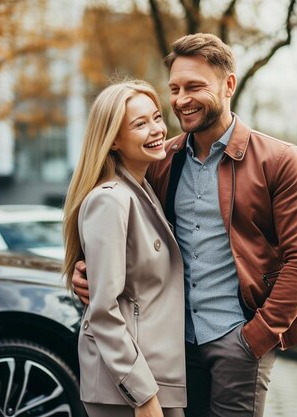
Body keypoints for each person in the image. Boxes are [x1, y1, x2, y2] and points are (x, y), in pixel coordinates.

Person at [72, 33, 297, 417]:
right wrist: (86, 273)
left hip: (237, 343)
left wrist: (256, 337)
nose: (181, 99)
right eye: (174, 88)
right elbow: (122, 235)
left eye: (194, 86)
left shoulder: (280, 160)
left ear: (229, 85)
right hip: (171, 347)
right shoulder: (161, 160)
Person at [62, 80, 186, 417]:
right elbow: (104, 310)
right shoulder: (110, 201)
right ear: (114, 140)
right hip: (127, 387)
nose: (156, 130)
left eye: (157, 118)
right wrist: (142, 395)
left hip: (152, 376)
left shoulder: (142, 192)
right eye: (140, 124)